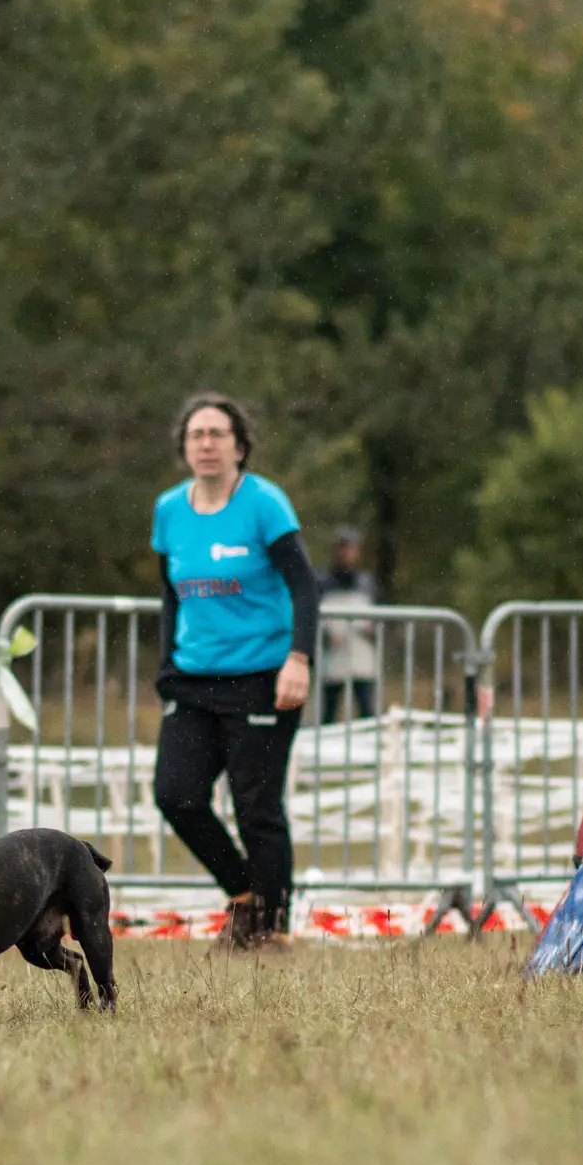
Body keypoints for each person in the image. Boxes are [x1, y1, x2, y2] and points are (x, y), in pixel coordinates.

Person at [150, 394, 318, 950]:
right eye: (196, 434)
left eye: (218, 434)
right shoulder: (169, 511)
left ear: (239, 445)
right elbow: (171, 593)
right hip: (195, 679)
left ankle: (270, 930)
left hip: (262, 677)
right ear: (184, 447)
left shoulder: (264, 504)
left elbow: (303, 585)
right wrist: (166, 663)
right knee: (176, 794)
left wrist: (299, 658)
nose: (206, 444)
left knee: (257, 808)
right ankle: (245, 893)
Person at [317, 527, 378, 724]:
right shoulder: (323, 581)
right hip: (334, 656)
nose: (346, 553)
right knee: (330, 709)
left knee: (366, 708)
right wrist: (326, 636)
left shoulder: (366, 582)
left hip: (361, 655)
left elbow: (377, 617)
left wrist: (372, 629)